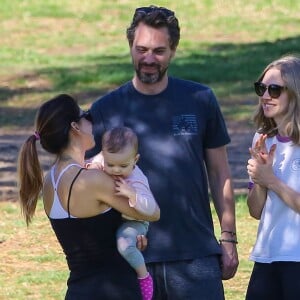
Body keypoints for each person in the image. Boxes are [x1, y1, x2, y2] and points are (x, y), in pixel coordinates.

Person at [87, 5, 239, 299]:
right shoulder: (105, 109)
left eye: (159, 51)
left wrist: (229, 237)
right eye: (141, 49)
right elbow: (90, 184)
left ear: (173, 50)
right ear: (130, 46)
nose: (148, 59)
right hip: (133, 257)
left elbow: (220, 172)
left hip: (196, 255)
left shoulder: (200, 99)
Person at [17, 94, 160, 300]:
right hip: (115, 291)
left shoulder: (49, 182)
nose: (90, 121)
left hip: (78, 292)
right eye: (86, 115)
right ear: (75, 127)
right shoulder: (93, 180)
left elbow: (91, 240)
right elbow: (152, 213)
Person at [246, 55, 300, 300]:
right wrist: (260, 180)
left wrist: (272, 181)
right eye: (262, 88)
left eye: (275, 89)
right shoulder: (262, 140)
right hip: (267, 256)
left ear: (295, 93)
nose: (266, 95)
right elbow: (256, 211)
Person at [87, 126, 158, 300]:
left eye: (123, 165)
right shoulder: (104, 159)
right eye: (110, 164)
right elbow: (92, 163)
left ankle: (143, 276)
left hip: (135, 221)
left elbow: (150, 209)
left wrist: (132, 194)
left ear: (136, 159)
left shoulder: (136, 179)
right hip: (114, 218)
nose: (116, 170)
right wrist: (94, 165)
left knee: (124, 244)